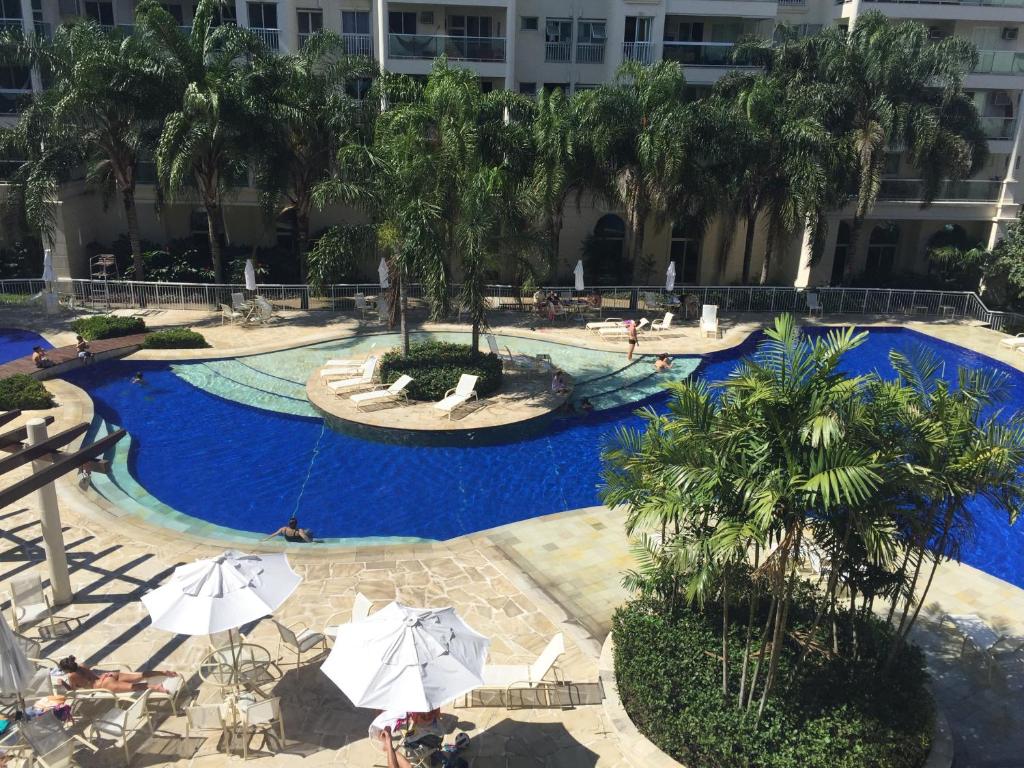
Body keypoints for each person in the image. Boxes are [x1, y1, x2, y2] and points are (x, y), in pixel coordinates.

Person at [57, 656, 177, 694]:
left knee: (135, 687)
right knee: (140, 675)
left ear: (67, 670)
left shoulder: (71, 676)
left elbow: (73, 690)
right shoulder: (82, 665)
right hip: (108, 675)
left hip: (104, 684)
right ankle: (163, 672)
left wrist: (63, 684)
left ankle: (157, 687)